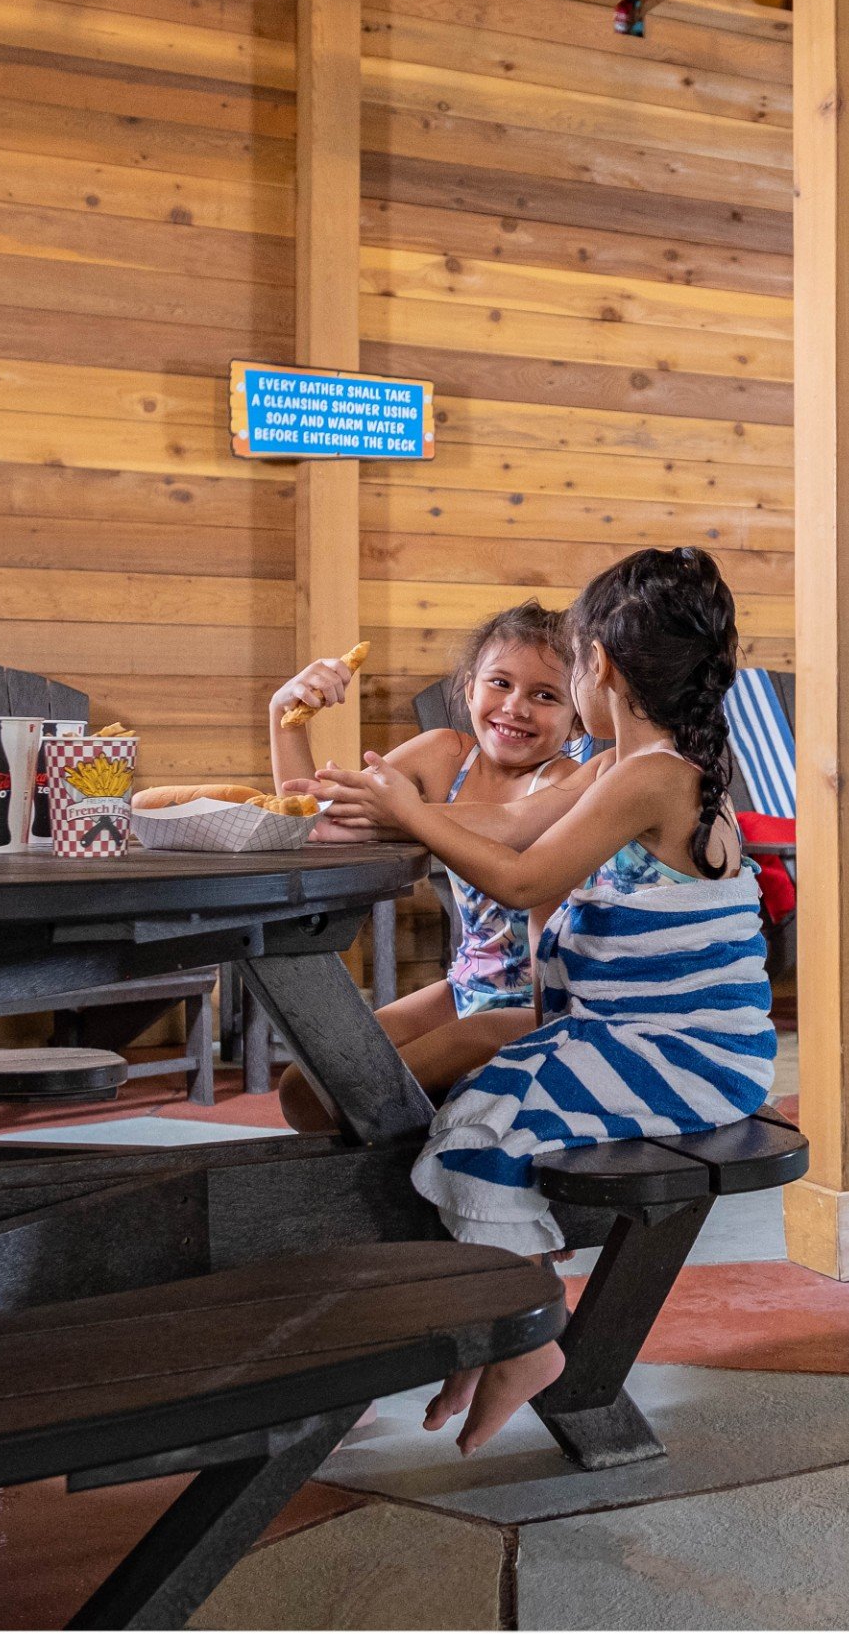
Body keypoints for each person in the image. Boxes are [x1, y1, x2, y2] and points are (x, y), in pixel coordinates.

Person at [309, 547, 773, 1453]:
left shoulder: (652, 776)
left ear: (598, 664)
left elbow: (521, 877)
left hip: (687, 1055)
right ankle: (499, 1326)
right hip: (628, 1039)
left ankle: (529, 1336)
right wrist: (383, 805)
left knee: (475, 1130)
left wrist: (410, 813)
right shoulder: (622, 768)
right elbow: (511, 822)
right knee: (471, 1111)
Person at [269, 603, 595, 1109]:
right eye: (500, 683)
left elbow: (512, 839)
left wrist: (404, 814)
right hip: (465, 986)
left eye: (545, 695)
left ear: (577, 719)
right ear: (469, 689)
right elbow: (320, 824)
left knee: (363, 1097)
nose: (516, 707)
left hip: (550, 1005)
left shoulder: (564, 785)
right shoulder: (444, 754)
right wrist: (286, 718)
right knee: (304, 1089)